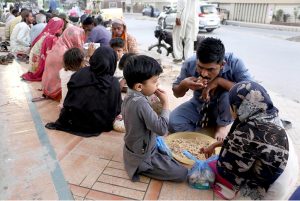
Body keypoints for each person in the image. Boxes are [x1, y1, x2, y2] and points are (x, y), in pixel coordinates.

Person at [200, 81, 299, 200]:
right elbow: (251, 145)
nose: (230, 109)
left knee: (216, 171)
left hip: (271, 189)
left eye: (231, 105)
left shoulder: (246, 132)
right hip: (289, 178)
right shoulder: (270, 117)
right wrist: (215, 145)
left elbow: (228, 171)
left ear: (239, 106)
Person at [169, 38, 252, 141]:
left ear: (222, 65)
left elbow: (251, 92)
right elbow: (177, 94)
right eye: (200, 67)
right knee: (173, 122)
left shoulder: (235, 63)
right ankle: (200, 133)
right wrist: (184, 84)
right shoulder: (190, 63)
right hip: (198, 105)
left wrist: (219, 81)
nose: (203, 73)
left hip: (225, 109)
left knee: (228, 95)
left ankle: (222, 125)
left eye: (210, 69)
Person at [122, 55, 188, 182]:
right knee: (182, 173)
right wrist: (166, 103)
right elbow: (162, 129)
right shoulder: (140, 103)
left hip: (135, 148)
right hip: (143, 156)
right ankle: (141, 167)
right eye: (154, 82)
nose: (157, 85)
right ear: (139, 87)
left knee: (170, 157)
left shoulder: (130, 95)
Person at [45, 47, 122, 136]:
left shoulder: (80, 73)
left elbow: (69, 100)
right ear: (112, 62)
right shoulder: (113, 83)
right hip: (98, 124)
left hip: (75, 120)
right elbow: (116, 109)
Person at [41, 26, 85, 100]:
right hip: (57, 91)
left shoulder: (59, 45)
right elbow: (79, 70)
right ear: (75, 38)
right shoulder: (66, 53)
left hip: (48, 87)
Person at [21, 17, 65, 81]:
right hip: (37, 65)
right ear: (57, 27)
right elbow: (50, 54)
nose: (62, 30)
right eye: (61, 27)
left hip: (34, 63)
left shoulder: (46, 33)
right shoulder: (51, 37)